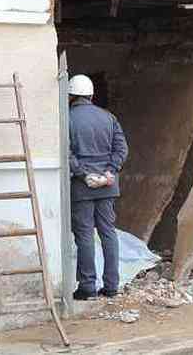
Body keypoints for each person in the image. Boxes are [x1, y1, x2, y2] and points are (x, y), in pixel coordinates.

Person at [68, 74, 129, 300]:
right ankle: (112, 286)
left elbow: (67, 154)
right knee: (108, 233)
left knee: (84, 236)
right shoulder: (109, 117)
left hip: (81, 188)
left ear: (71, 96)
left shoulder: (67, 118)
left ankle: (87, 288)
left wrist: (85, 175)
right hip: (107, 186)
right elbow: (121, 149)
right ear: (92, 95)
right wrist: (109, 172)